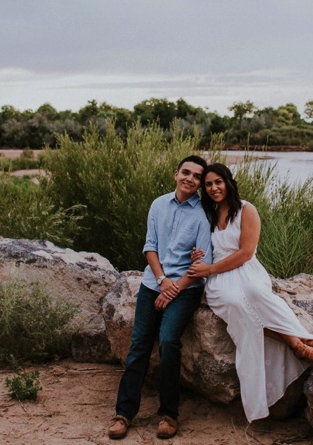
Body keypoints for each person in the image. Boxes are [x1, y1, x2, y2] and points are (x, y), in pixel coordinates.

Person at [186, 162, 313, 423]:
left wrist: (209, 269)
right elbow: (207, 247)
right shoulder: (209, 213)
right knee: (235, 305)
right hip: (219, 278)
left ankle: (298, 339)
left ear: (228, 181)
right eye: (208, 184)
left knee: (257, 294)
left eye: (218, 182)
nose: (213, 188)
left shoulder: (246, 209)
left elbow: (245, 253)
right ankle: (296, 343)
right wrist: (200, 257)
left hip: (245, 269)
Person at [108, 155, 213, 440]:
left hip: (186, 289)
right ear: (176, 174)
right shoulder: (158, 204)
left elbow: (203, 265)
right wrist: (162, 280)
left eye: (197, 176)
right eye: (186, 173)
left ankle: (169, 414)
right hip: (155, 283)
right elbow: (150, 247)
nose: (190, 179)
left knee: (167, 341)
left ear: (201, 184)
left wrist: (174, 288)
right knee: (140, 344)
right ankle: (124, 413)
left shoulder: (203, 215)